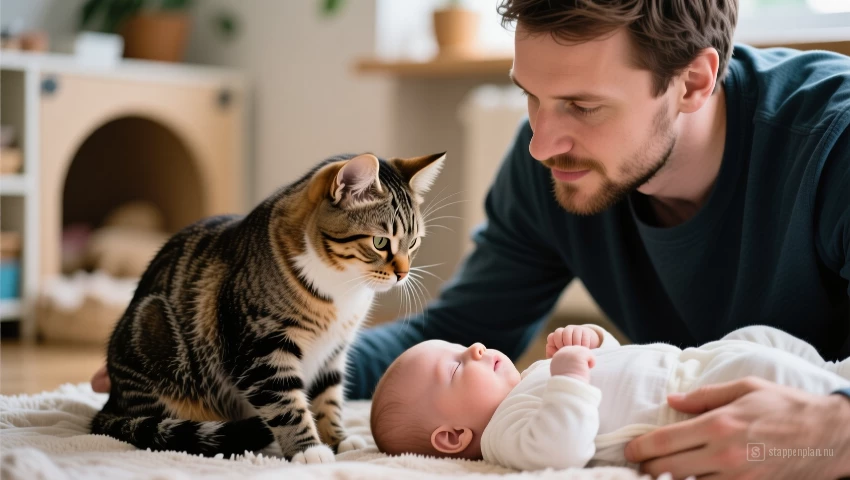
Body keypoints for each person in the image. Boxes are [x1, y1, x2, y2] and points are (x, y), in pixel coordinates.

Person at [92, 0, 850, 477]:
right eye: (531, 97)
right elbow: (458, 331)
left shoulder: (832, 145)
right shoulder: (549, 177)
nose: (541, 142)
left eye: (582, 104)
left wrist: (831, 432)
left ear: (692, 81)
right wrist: (257, 357)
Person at [369, 324, 850, 471]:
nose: (474, 348)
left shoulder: (537, 372)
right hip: (701, 399)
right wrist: (571, 376)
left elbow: (619, 363)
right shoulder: (504, 435)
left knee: (757, 339)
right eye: (455, 367)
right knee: (771, 370)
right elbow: (561, 447)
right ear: (453, 437)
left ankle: (830, 376)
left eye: (461, 346)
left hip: (695, 362)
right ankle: (830, 382)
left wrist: (594, 343)